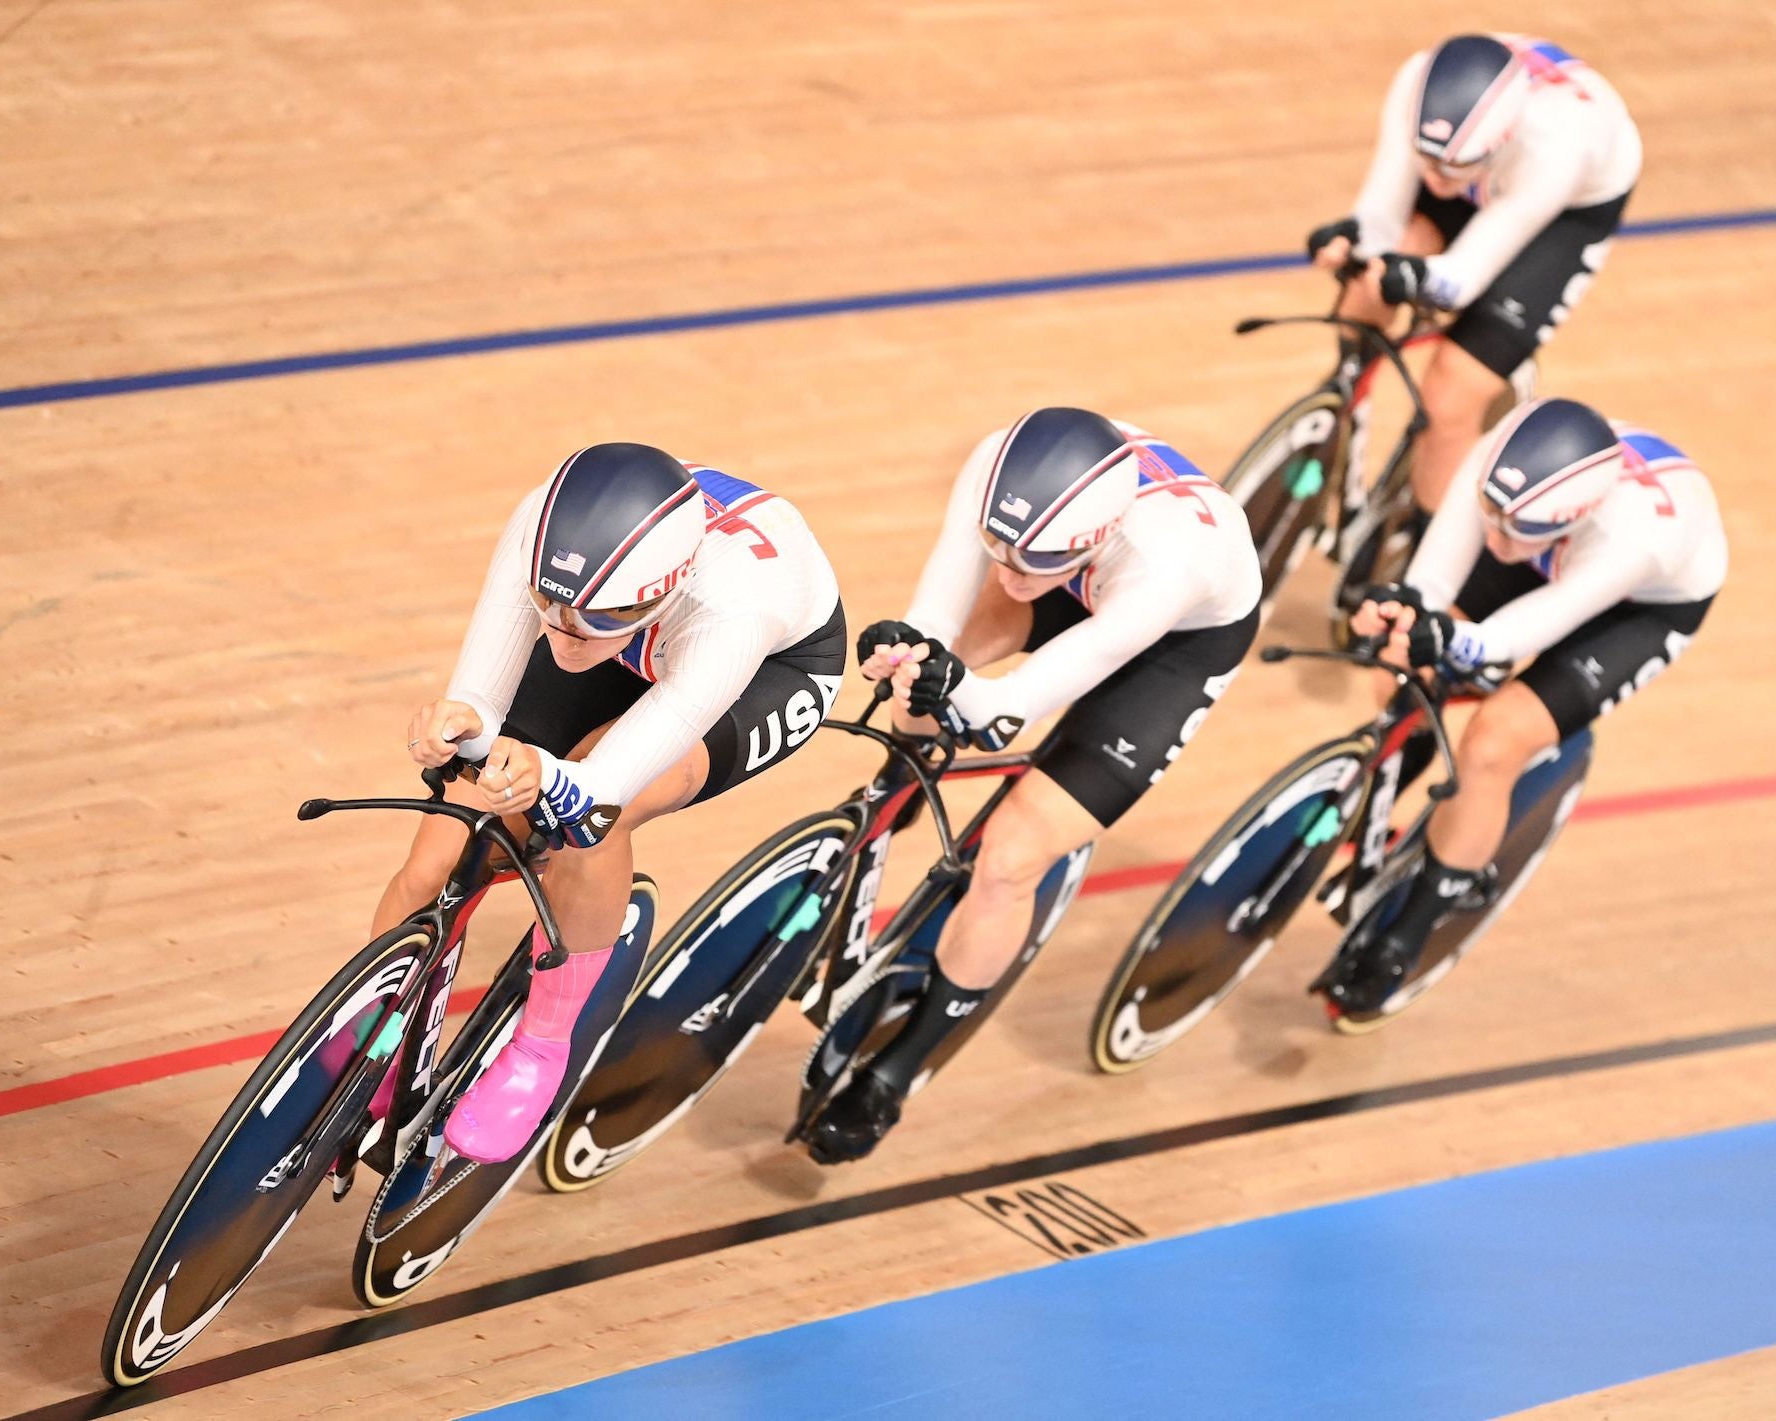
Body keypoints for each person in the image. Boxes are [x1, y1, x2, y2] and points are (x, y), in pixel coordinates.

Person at [804, 408, 1263, 1164]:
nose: (1006, 571)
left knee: (1012, 856)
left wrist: (971, 696)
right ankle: (901, 784)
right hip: (1073, 576)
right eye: (999, 547)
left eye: (1027, 558)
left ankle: (899, 1067)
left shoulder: (1168, 562)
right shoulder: (1000, 469)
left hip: (1176, 644)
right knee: (927, 669)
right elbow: (940, 613)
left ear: (1091, 536)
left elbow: (1014, 703)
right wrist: (915, 649)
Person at [376, 442, 846, 1161]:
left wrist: (548, 776)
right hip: (627, 634)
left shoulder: (737, 608)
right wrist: (461, 726)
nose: (560, 628)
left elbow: (603, 784)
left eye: (585, 613)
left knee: (589, 820)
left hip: (763, 671)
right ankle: (370, 1028)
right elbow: (481, 698)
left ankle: (541, 1047)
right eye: (548, 604)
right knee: (440, 847)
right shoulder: (544, 534)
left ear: (655, 592)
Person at [1327, 396, 1726, 1012]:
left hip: (1639, 606)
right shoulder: (1499, 468)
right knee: (1402, 667)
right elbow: (1431, 584)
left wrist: (1461, 640)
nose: (1492, 538)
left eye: (1511, 531)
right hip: (1548, 540)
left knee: (1493, 741)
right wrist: (1406, 611)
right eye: (1488, 516)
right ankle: (1399, 774)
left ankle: (1417, 924)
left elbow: (1522, 632)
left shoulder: (1634, 539)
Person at [1306, 34, 1642, 522]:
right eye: (1429, 160)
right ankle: (1343, 398)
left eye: (1453, 167)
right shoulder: (1414, 85)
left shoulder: (1558, 146)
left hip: (1562, 210)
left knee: (1451, 395)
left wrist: (1413, 275)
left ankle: (1424, 539)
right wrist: (1350, 240)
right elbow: (1379, 214)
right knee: (1369, 281)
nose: (1438, 178)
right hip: (1482, 160)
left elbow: (1463, 278)